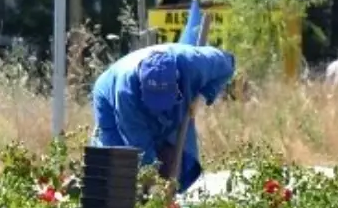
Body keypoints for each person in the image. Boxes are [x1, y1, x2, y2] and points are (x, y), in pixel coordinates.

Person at [92, 43, 237, 193]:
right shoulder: (125, 93)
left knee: (174, 164)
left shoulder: (194, 62)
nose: (159, 109)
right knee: (118, 171)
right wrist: (153, 183)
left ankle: (165, 206)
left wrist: (203, 95)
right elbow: (139, 144)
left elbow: (229, 64)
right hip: (109, 99)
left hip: (175, 107)